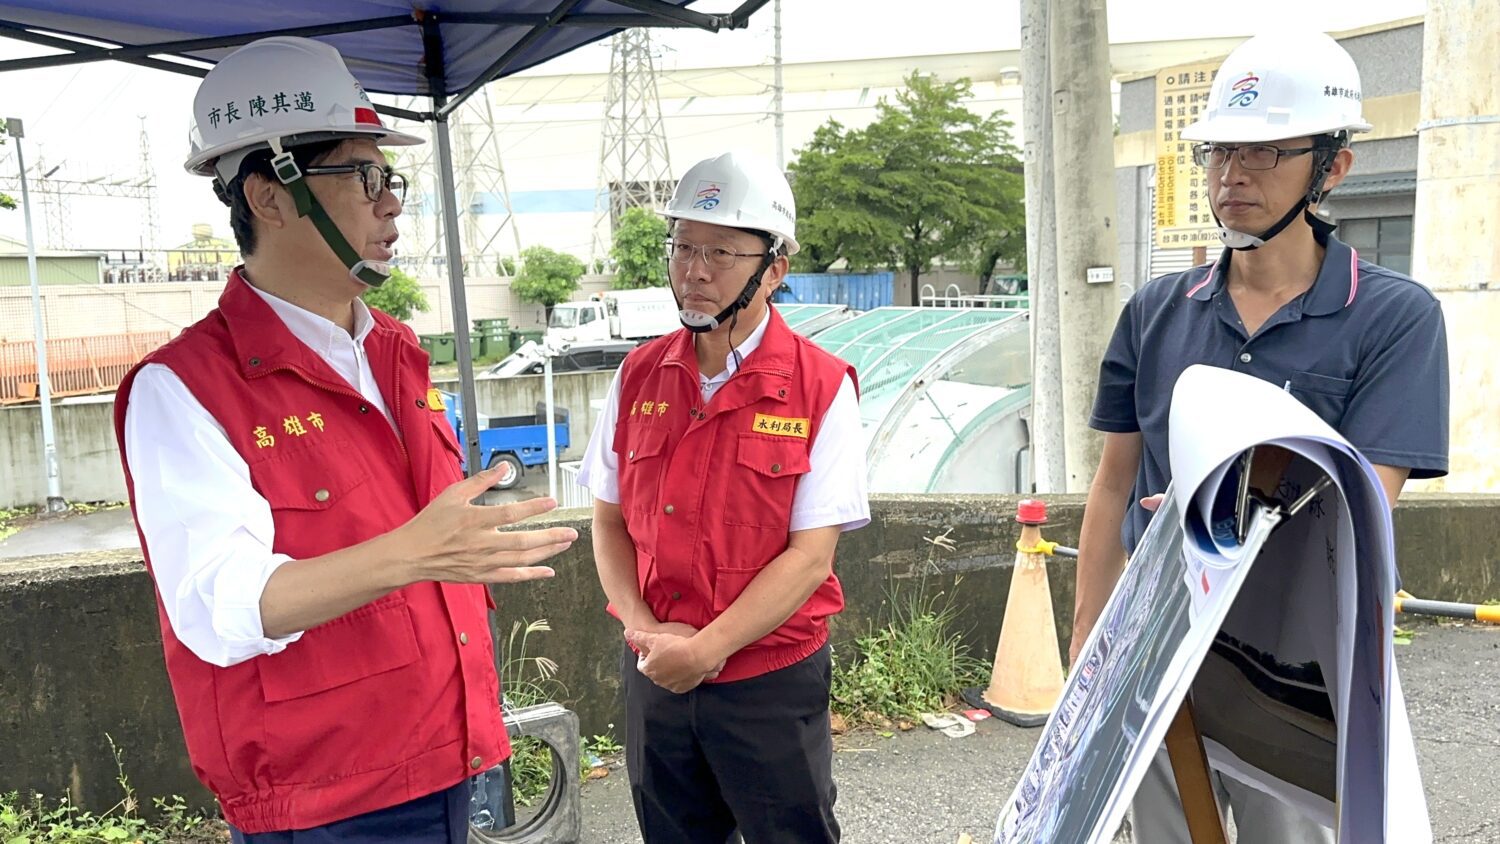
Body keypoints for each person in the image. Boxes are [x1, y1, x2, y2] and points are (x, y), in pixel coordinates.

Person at [112, 36, 577, 842]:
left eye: (388, 177)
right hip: (331, 802)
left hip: (452, 753)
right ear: (269, 194)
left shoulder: (393, 350)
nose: (390, 202)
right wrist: (418, 552)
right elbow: (220, 607)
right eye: (363, 177)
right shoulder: (184, 389)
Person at [1070, 30, 1448, 843]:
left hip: (1298, 667)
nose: (1231, 175)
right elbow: (1112, 486)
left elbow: (1363, 503)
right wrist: (1088, 658)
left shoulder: (1393, 317)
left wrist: (1229, 504)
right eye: (1218, 153)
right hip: (1160, 648)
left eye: (1266, 153)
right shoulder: (1157, 311)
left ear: (1332, 167)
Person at [577, 150, 870, 844]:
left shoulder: (821, 388)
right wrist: (646, 630)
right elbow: (609, 521)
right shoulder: (639, 375)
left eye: (721, 252)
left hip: (767, 680)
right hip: (657, 669)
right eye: (683, 246)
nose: (695, 270)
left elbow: (808, 559)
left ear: (774, 269)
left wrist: (709, 647)